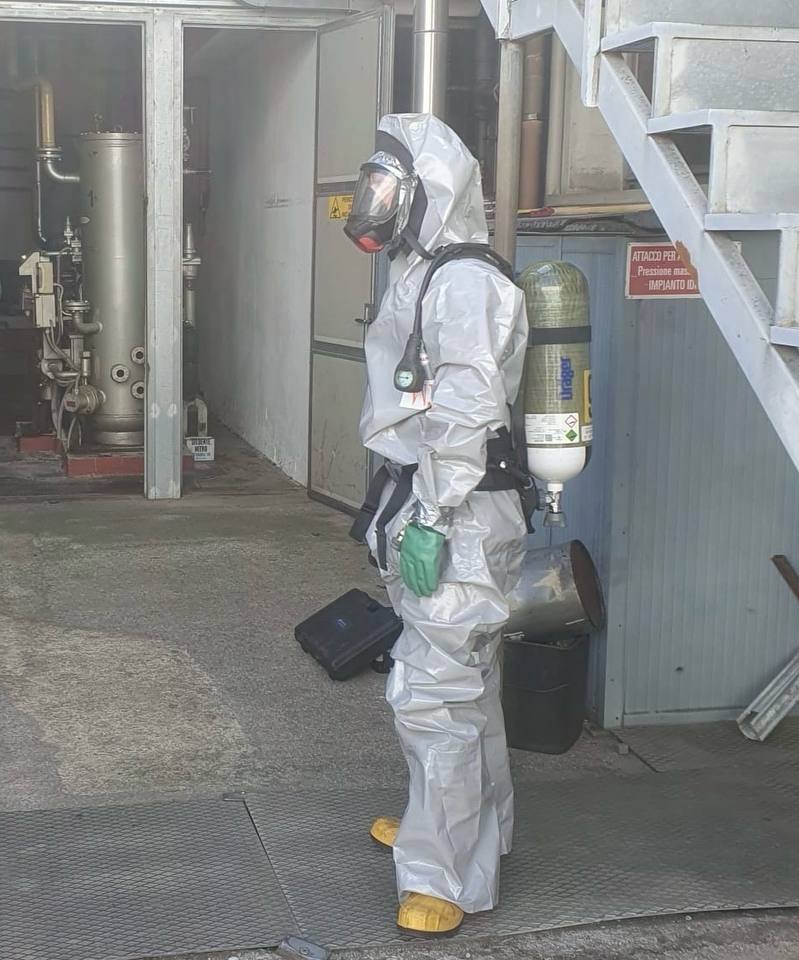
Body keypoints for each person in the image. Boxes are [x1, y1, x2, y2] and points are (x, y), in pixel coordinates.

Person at [343, 114, 530, 935]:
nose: (373, 202)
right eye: (371, 184)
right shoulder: (424, 272)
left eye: (387, 187)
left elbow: (466, 410)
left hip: (455, 511)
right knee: (464, 683)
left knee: (435, 694)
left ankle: (442, 875)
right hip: (431, 499)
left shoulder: (465, 283)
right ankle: (462, 827)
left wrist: (431, 514)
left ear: (430, 194)